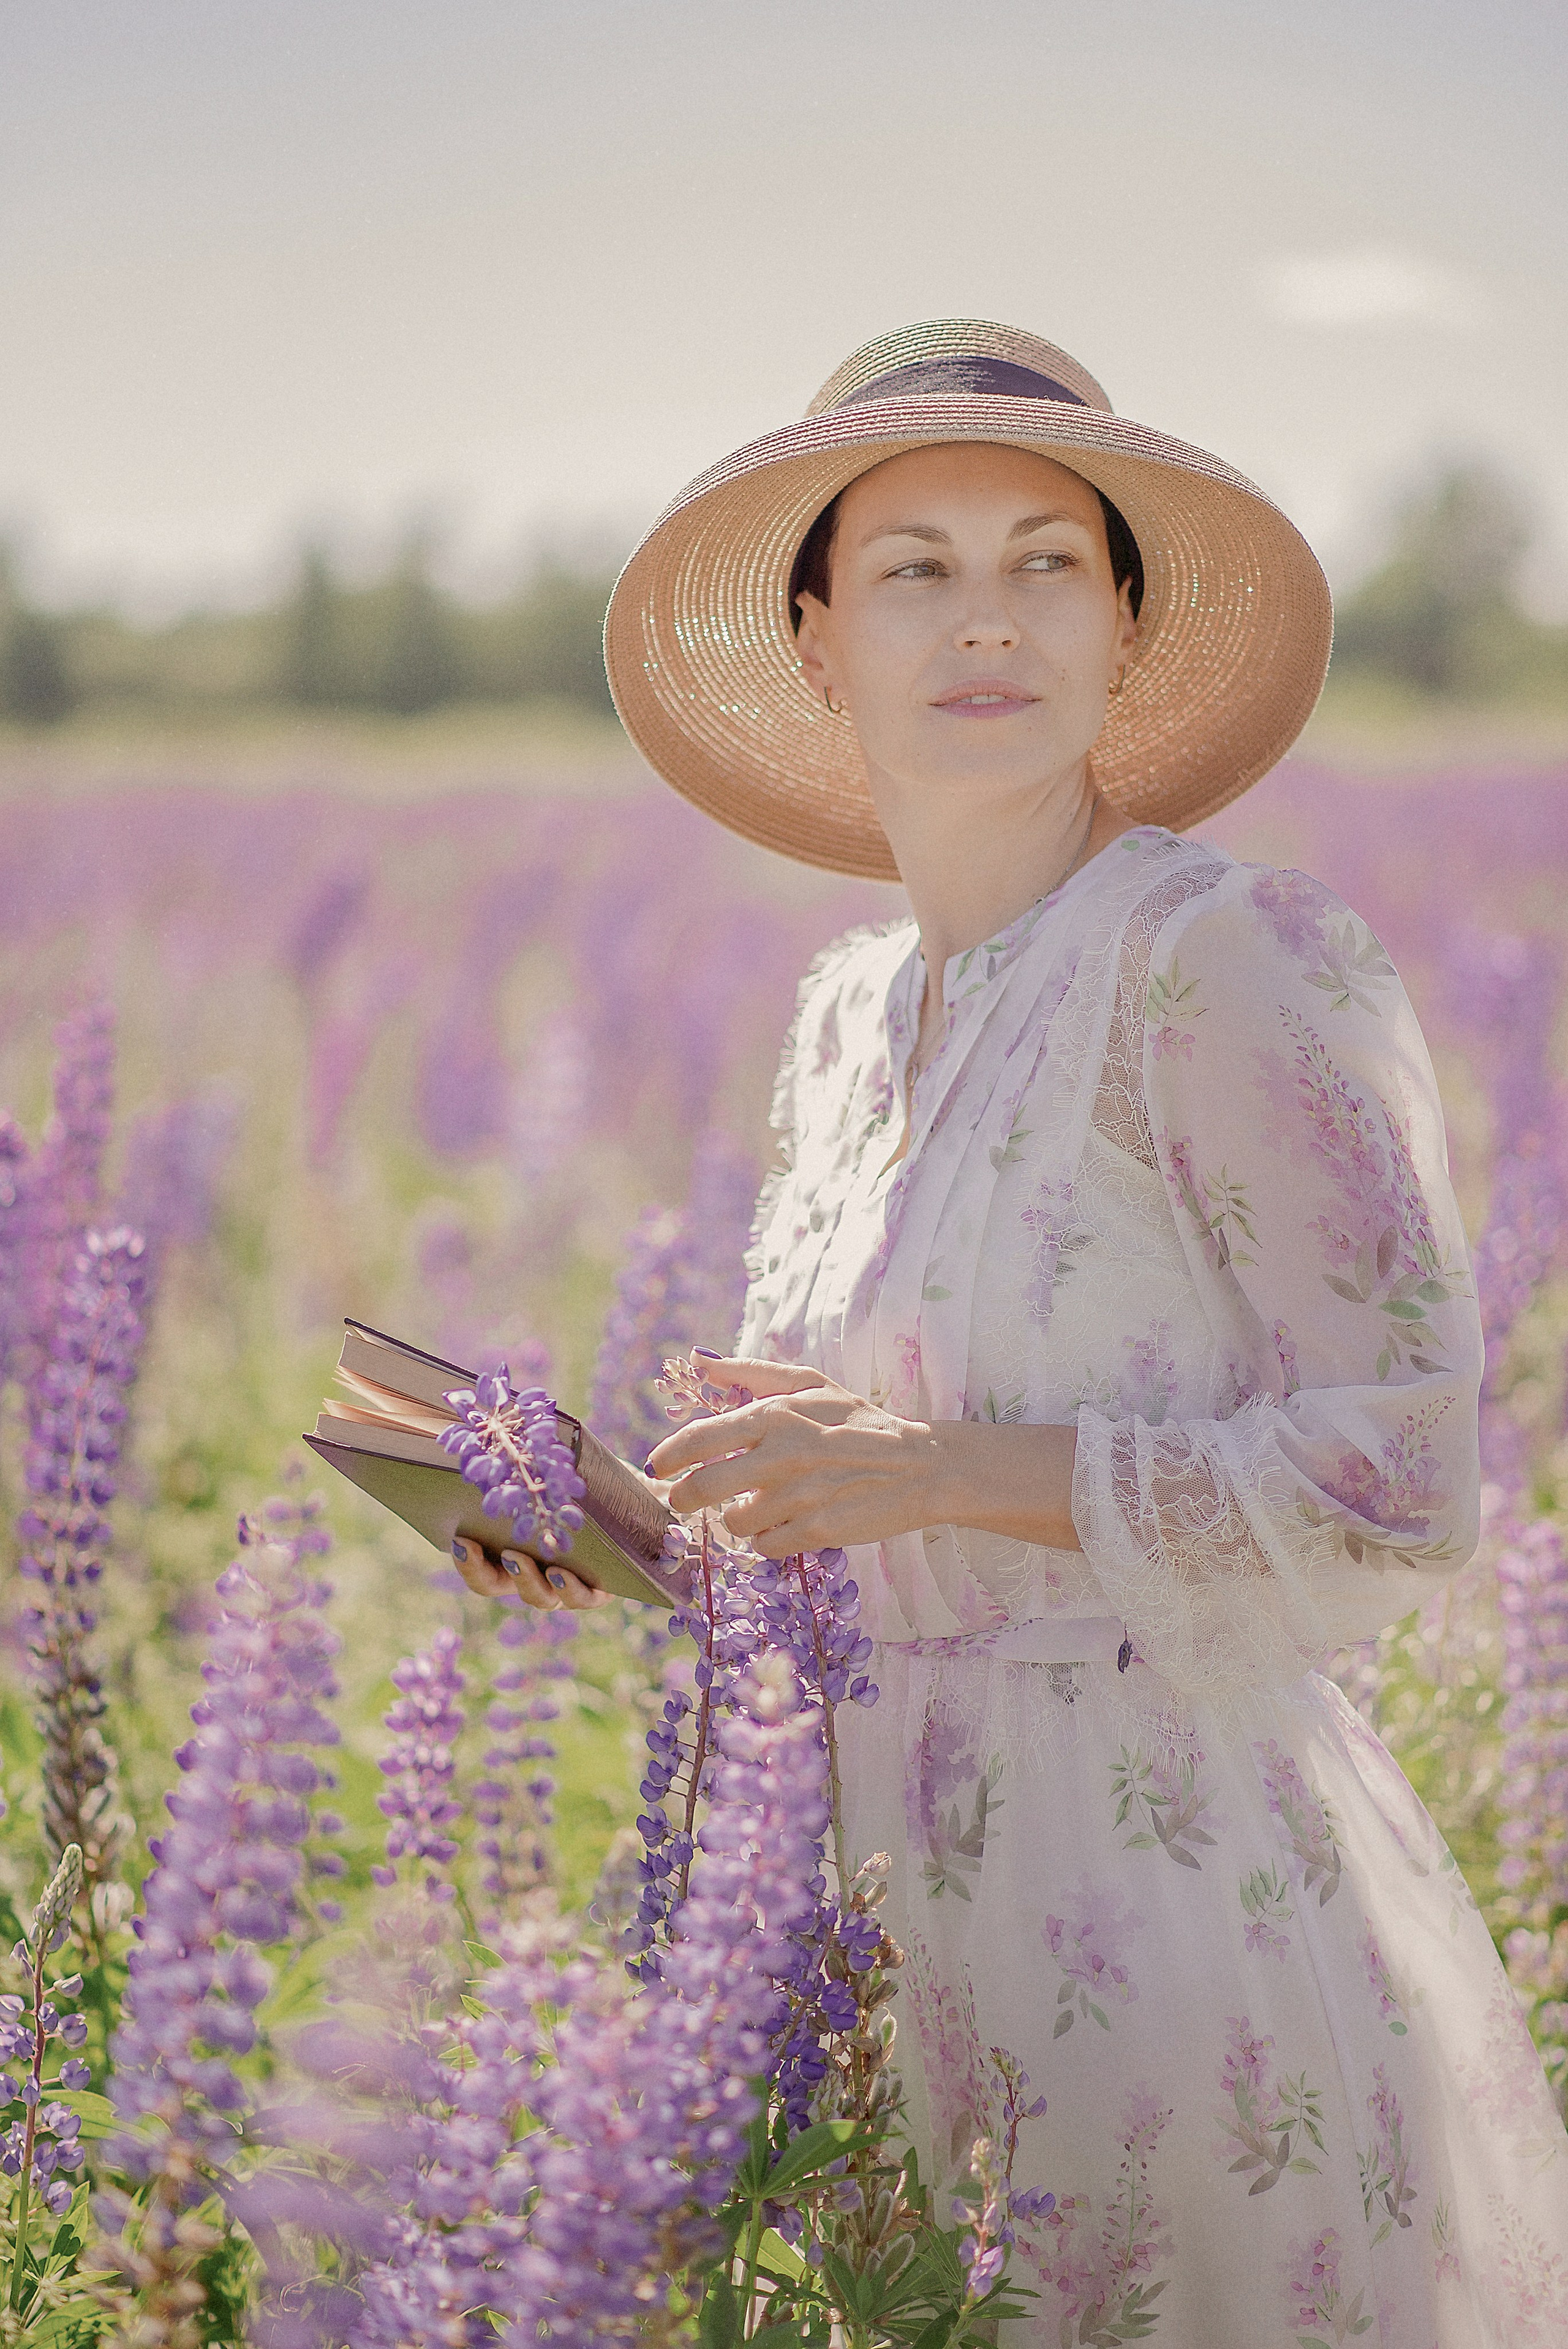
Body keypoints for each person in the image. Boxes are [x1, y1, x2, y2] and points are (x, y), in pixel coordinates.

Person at [455, 322, 1568, 2342]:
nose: (988, 618)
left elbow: (1401, 1473)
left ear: (1124, 626)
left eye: (1048, 560)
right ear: (818, 642)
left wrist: (942, 1470)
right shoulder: (846, 1015)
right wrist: (632, 1533)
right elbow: (873, 1523)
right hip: (856, 1942)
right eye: (917, 569)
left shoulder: (1223, 956)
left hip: (1161, 1915)